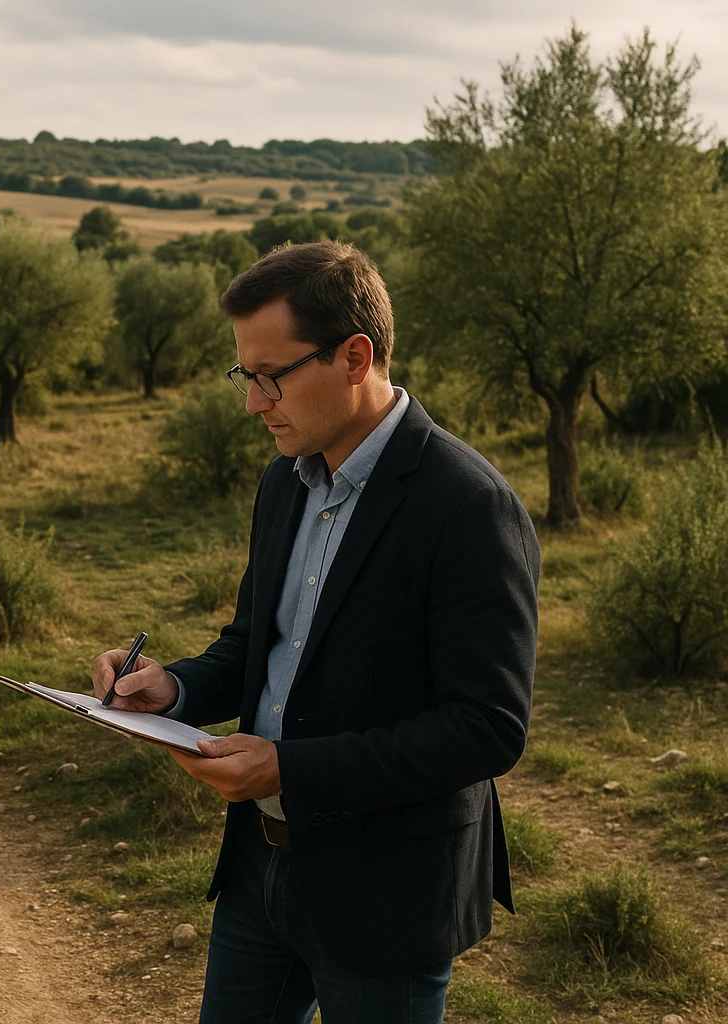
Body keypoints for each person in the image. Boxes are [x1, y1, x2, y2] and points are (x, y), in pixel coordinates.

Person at [91, 240, 539, 1024]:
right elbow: (254, 645)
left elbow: (487, 729)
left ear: (355, 356)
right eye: (246, 375)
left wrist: (289, 770)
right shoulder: (285, 480)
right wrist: (176, 687)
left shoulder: (468, 507)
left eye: (272, 376)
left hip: (385, 898)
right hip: (257, 872)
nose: (254, 402)